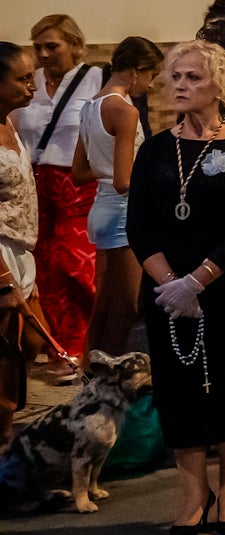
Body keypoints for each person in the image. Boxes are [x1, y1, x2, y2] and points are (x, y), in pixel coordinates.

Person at [126, 40, 225, 535]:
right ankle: (192, 492)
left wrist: (198, 281)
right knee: (179, 390)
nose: (181, 86)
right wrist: (171, 286)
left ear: (219, 87)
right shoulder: (156, 149)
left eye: (193, 78)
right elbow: (138, 226)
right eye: (176, 77)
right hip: (168, 293)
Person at [13, 14, 103, 381]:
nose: (44, 53)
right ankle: (58, 347)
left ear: (74, 44)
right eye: (37, 47)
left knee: (74, 265)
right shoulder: (28, 83)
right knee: (43, 268)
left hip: (78, 179)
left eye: (52, 46)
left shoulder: (94, 78)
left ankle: (81, 342)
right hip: (37, 180)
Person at [71, 37, 161, 357]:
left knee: (105, 305)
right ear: (136, 71)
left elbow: (79, 172)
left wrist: (107, 170)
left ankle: (92, 373)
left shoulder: (90, 105)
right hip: (123, 212)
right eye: (151, 76)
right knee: (127, 307)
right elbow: (125, 180)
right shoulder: (124, 110)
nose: (150, 85)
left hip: (100, 208)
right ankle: (109, 377)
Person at [0, 44, 51, 443]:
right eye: (21, 79)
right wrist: (2, 279)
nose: (32, 87)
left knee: (31, 341)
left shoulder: (10, 122)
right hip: (0, 254)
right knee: (6, 353)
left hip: (21, 249)